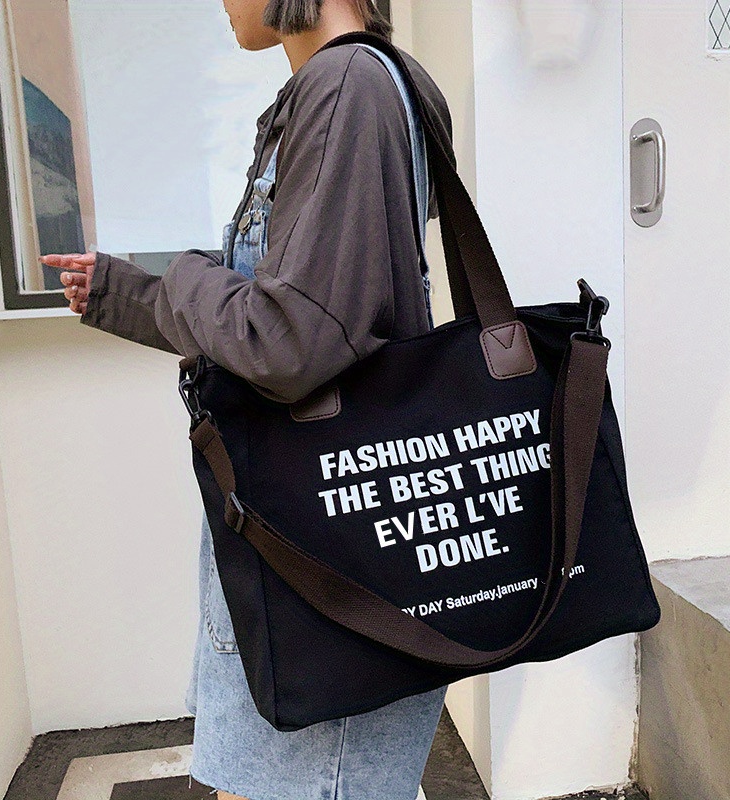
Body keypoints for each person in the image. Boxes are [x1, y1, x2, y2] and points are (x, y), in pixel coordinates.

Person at [40, 1, 458, 798]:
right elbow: (300, 316)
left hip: (321, 579)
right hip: (306, 561)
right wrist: (131, 294)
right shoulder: (354, 86)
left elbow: (291, 341)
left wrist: (184, 274)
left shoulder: (348, 86)